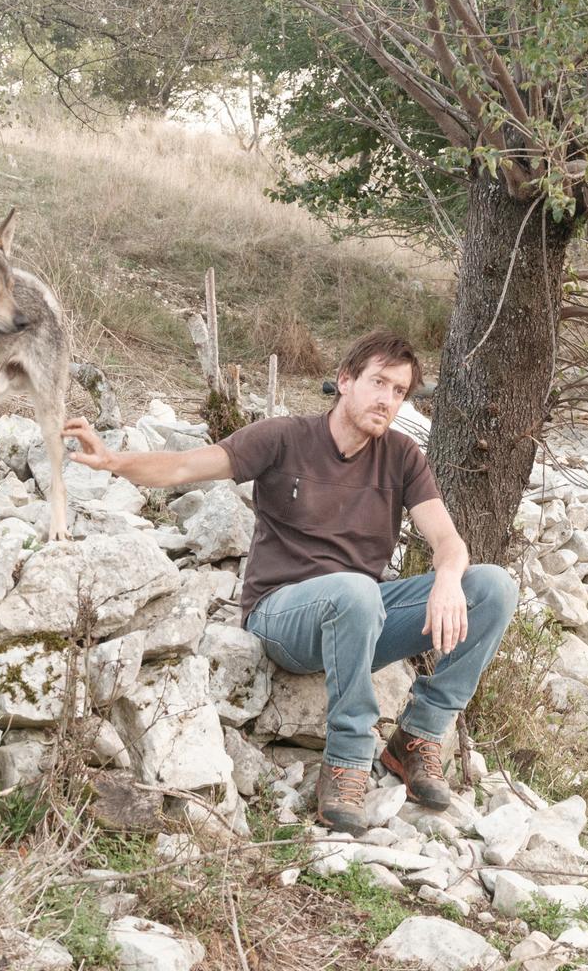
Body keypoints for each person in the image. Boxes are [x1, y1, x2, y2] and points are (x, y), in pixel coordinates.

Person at [63, 328, 518, 833]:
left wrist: (449, 578)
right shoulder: (283, 437)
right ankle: (346, 761)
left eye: (399, 391)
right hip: (283, 616)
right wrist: (112, 461)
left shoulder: (402, 455)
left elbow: (448, 540)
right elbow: (184, 466)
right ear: (345, 381)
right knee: (355, 590)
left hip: (360, 615)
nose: (387, 399)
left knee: (494, 587)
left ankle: (417, 736)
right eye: (379, 382)